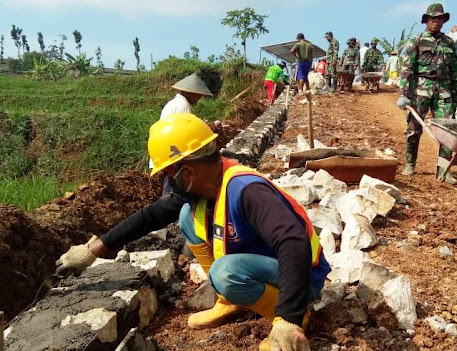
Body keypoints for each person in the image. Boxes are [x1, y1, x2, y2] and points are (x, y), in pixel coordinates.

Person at [55, 113, 331, 351]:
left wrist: (289, 317)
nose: (166, 182)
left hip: (301, 278)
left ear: (185, 171)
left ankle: (295, 314)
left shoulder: (247, 191)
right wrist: (94, 250)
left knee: (226, 272)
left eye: (167, 174)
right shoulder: (204, 187)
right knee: (187, 217)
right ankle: (230, 299)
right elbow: (151, 216)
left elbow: (294, 242)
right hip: (265, 266)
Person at [396, 3, 457, 183]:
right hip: (420, 91)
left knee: (447, 130)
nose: (436, 21)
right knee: (413, 129)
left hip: (443, 91)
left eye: (439, 18)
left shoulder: (449, 42)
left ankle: (444, 169)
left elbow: (455, 71)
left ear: (443, 21)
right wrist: (403, 93)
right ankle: (410, 164)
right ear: (426, 20)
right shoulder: (416, 40)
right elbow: (407, 68)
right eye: (433, 18)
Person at [150, 73, 213, 169]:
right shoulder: (183, 106)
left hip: (163, 153)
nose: (199, 99)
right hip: (170, 156)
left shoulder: (175, 103)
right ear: (188, 93)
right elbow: (187, 135)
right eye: (198, 95)